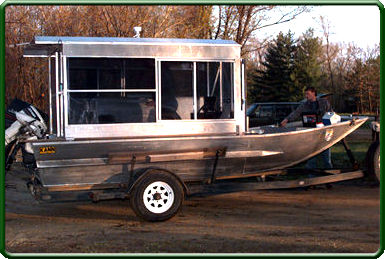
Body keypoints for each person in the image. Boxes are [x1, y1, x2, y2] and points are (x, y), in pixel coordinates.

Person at [280, 87, 333, 169]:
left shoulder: (324, 102)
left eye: (307, 94)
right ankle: (311, 173)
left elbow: (331, 114)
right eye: (305, 94)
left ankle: (329, 171)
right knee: (311, 151)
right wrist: (287, 119)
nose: (306, 96)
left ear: (313, 93)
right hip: (311, 130)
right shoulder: (304, 105)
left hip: (326, 129)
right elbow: (296, 113)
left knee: (326, 150)